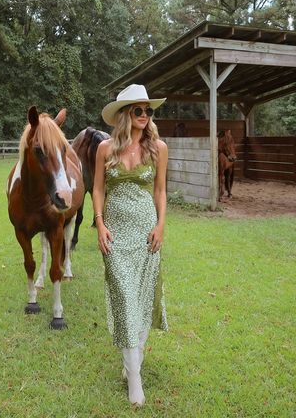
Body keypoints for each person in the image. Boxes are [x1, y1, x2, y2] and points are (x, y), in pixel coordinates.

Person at [92, 83, 168, 407]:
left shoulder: (158, 148)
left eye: (148, 110)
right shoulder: (105, 149)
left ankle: (131, 364)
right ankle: (134, 378)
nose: (145, 115)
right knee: (124, 297)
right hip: (115, 234)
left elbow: (161, 191)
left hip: (147, 233)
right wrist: (99, 223)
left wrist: (161, 225)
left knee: (142, 297)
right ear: (125, 114)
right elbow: (96, 189)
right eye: (139, 110)